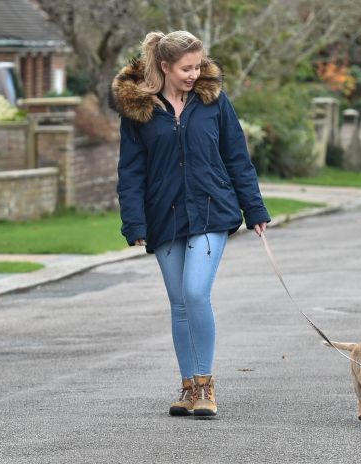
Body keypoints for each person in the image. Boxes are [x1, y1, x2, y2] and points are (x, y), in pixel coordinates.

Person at [110, 30, 270, 418]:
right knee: (179, 303)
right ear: (165, 66)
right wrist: (134, 222)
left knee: (196, 292)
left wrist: (255, 209)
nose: (194, 74)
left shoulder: (213, 101)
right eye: (186, 68)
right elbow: (130, 171)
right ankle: (187, 388)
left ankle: (205, 385)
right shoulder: (141, 111)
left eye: (198, 66)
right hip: (163, 216)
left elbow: (236, 156)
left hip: (212, 208)